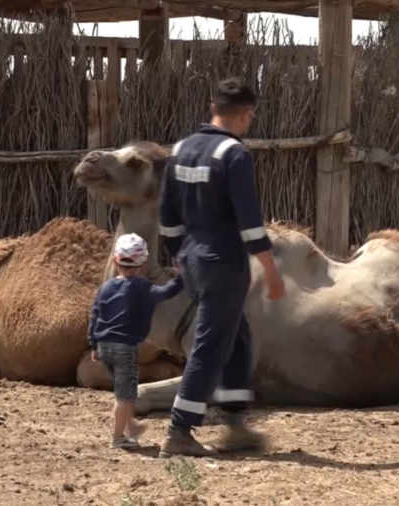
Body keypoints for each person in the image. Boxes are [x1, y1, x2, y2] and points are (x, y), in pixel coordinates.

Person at [157, 77, 285, 458]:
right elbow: (250, 225)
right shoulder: (234, 155)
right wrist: (272, 272)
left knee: (237, 336)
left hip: (194, 260)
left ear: (213, 108)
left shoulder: (180, 150)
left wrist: (182, 256)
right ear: (246, 115)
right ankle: (179, 430)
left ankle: (235, 422)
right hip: (225, 263)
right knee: (211, 345)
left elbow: (167, 220)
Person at [88, 233, 185, 449]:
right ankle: (118, 437)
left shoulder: (105, 288)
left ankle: (131, 426)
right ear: (142, 266)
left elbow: (95, 316)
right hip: (125, 349)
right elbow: (165, 293)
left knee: (123, 392)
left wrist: (94, 345)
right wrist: (181, 276)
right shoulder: (141, 287)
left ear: (115, 262)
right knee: (126, 396)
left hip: (105, 348)